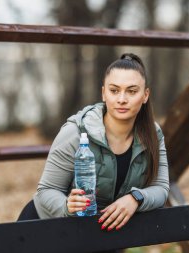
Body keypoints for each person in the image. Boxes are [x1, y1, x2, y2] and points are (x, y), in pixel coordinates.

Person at [18, 53, 169, 237]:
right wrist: (67, 206)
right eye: (114, 90)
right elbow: (46, 192)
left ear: (145, 95)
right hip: (45, 231)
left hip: (101, 234)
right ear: (103, 93)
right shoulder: (75, 132)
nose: (122, 99)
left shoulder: (153, 135)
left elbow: (161, 187)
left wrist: (135, 198)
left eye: (131, 91)